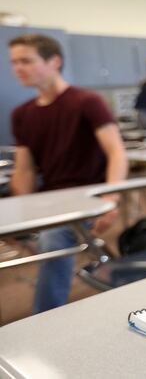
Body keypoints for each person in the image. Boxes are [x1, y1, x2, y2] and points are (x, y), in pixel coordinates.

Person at [8, 33, 128, 313]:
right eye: (14, 62)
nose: (18, 68)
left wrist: (111, 199)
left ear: (54, 62)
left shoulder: (87, 102)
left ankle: (45, 319)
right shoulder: (22, 114)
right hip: (49, 199)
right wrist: (18, 213)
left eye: (26, 60)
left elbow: (117, 152)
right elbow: (23, 169)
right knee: (47, 238)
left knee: (52, 239)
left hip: (87, 198)